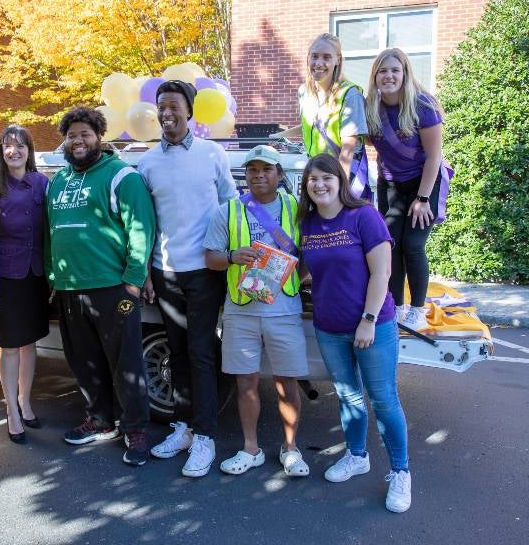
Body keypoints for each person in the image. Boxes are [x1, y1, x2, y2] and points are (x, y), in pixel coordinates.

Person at [298, 153, 411, 513]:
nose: (319, 184)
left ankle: (401, 472)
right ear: (306, 186)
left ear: (339, 181)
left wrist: (368, 318)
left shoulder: (363, 215)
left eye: (326, 178)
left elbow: (382, 274)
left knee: (384, 401)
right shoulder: (309, 224)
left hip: (372, 325)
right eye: (312, 179)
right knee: (349, 399)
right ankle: (357, 456)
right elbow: (301, 272)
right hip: (329, 328)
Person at [45, 106, 156, 466]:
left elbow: (141, 230)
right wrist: (52, 277)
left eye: (85, 134)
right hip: (69, 288)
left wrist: (133, 283)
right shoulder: (58, 181)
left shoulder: (123, 176)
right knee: (84, 361)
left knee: (125, 362)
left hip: (114, 289)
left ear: (99, 137)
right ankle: (101, 420)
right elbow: (50, 234)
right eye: (72, 135)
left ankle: (136, 430)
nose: (78, 141)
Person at [137, 79, 237, 478]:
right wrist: (146, 270)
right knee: (175, 353)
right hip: (165, 272)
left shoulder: (213, 154)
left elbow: (231, 205)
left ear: (190, 111)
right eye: (161, 106)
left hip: (204, 271)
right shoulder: (147, 163)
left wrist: (230, 256)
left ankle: (205, 436)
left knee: (201, 352)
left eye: (174, 105)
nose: (167, 112)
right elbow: (143, 223)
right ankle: (182, 427)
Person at [203, 145, 309, 477]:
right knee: (246, 382)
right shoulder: (229, 211)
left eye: (266, 169)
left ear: (279, 174)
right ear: (245, 175)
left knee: (287, 384)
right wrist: (234, 256)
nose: (258, 175)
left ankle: (291, 449)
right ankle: (251, 449)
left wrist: (296, 274)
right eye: (252, 170)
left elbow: (313, 254)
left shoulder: (298, 208)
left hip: (285, 309)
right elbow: (210, 259)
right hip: (241, 310)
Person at [365, 48, 450, 330]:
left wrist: (423, 199)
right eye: (382, 71)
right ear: (375, 75)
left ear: (404, 73)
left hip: (424, 182)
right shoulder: (370, 108)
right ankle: (397, 306)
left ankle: (417, 309)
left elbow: (434, 157)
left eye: (394, 70)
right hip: (390, 183)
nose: (388, 76)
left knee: (413, 245)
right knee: (391, 245)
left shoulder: (422, 106)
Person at [0, 125, 50, 444]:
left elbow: (50, 232)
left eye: (21, 145)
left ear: (29, 150)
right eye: (8, 145)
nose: (15, 150)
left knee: (29, 342)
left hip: (35, 275)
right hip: (6, 279)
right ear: (1, 152)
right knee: (9, 345)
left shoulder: (42, 183)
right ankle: (11, 410)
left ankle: (25, 401)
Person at [273, 33, 372, 200]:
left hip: (344, 176)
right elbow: (311, 124)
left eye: (326, 57)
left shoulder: (349, 94)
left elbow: (347, 150)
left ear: (337, 60)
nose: (319, 63)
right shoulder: (304, 92)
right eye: (314, 56)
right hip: (315, 173)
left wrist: (341, 192)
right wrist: (278, 137)